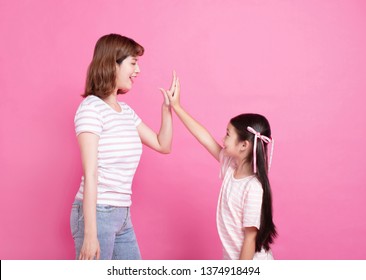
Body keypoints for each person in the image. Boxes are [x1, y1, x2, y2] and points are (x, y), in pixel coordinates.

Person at [70, 34, 176, 260]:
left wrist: (167, 109)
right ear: (112, 64)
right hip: (96, 213)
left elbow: (162, 144)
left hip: (122, 214)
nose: (137, 71)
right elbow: (91, 174)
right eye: (133, 63)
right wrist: (91, 234)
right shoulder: (90, 109)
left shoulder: (126, 112)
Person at [166, 78, 277, 260]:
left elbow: (250, 238)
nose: (222, 139)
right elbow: (204, 137)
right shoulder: (230, 167)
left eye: (227, 134)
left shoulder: (253, 187)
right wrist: (177, 107)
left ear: (244, 146)